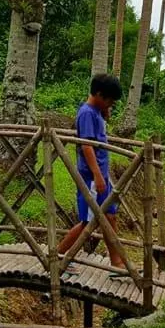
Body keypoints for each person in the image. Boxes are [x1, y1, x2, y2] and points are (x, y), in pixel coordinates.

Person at [57, 74, 126, 270]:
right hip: (91, 176)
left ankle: (116, 261)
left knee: (110, 216)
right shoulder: (87, 113)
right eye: (110, 100)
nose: (111, 104)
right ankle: (59, 255)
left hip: (101, 175)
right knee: (88, 221)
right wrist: (96, 174)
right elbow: (87, 145)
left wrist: (105, 113)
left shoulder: (96, 112)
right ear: (99, 94)